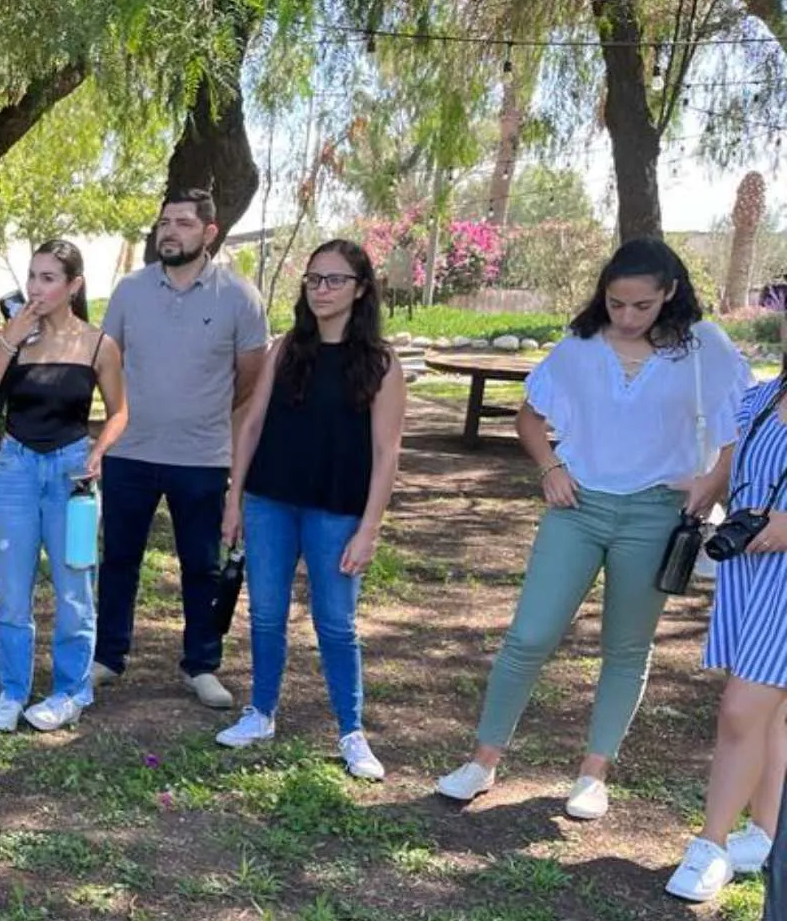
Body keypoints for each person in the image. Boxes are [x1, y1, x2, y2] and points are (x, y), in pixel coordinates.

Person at [435, 238, 749, 820]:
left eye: (642, 306)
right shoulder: (578, 346)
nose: (627, 317)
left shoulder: (705, 347)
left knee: (626, 646)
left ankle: (592, 773)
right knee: (529, 636)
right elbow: (531, 416)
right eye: (616, 303)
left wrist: (713, 481)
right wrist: (550, 467)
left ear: (670, 294)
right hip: (578, 507)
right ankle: (482, 760)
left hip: (658, 511)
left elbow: (742, 424)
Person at [217, 241, 406, 779]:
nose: (321, 290)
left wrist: (369, 528)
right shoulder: (284, 350)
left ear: (361, 288)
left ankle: (351, 730)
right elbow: (250, 426)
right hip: (269, 501)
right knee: (267, 613)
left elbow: (386, 452)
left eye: (335, 280)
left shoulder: (380, 364)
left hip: (337, 510)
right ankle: (261, 712)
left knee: (336, 623)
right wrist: (234, 498)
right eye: (313, 279)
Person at [94, 189, 268, 709]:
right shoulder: (129, 291)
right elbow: (108, 362)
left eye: (184, 223)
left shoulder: (240, 297)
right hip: (130, 451)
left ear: (210, 233)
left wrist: (200, 410)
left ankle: (201, 664)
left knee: (201, 565)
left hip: (203, 456)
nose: (170, 231)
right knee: (119, 559)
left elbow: (249, 379)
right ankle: (107, 655)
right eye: (164, 222)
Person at [0, 241, 128, 733]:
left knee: (74, 588)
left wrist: (99, 451)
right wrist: (10, 340)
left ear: (73, 286)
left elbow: (120, 410)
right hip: (15, 468)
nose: (36, 287)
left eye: (49, 278)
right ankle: (12, 690)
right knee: (12, 590)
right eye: (33, 276)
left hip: (72, 473)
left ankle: (70, 689)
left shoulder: (99, 344)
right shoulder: (15, 337)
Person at [665, 359, 787, 902]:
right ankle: (763, 836)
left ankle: (710, 845)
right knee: (772, 714)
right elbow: (733, 462)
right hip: (751, 569)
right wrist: (707, 490)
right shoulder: (760, 399)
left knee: (742, 709)